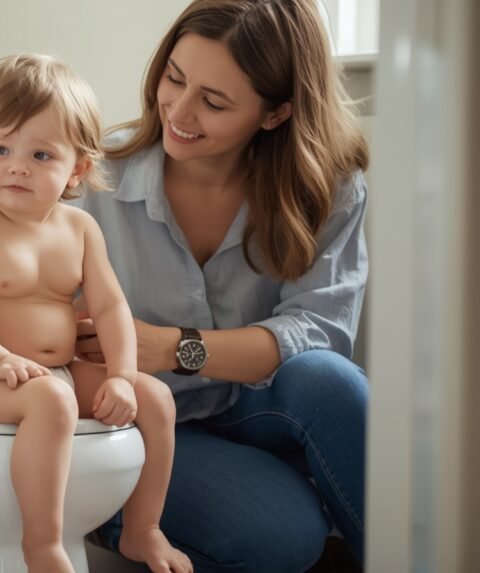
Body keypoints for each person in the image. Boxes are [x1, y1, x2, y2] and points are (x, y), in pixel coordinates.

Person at [73, 1, 369, 572]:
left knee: (332, 384)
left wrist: (171, 346)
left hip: (256, 406)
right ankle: (126, 516)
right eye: (174, 79)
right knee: (284, 536)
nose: (179, 112)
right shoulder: (94, 179)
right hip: (145, 428)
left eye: (214, 102)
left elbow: (323, 333)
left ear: (276, 113)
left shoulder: (329, 188)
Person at [0, 54, 192, 573]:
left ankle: (143, 530)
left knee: (154, 396)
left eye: (42, 154)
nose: (17, 165)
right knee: (52, 401)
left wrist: (118, 376)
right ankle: (42, 545)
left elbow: (111, 305)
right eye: (0, 148)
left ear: (79, 169)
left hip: (55, 374)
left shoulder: (81, 230)